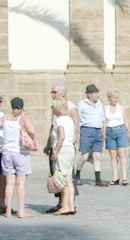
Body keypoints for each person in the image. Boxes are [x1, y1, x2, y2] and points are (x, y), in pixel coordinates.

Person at [0, 97, 35, 218]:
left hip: (7, 152)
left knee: (9, 183)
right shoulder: (22, 118)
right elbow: (32, 130)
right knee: (21, 184)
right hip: (20, 152)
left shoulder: (4, 118)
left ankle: (8, 211)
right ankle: (21, 211)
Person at [44, 83, 79, 213]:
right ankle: (68, 205)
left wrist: (55, 150)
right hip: (67, 148)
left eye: (54, 92)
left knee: (61, 177)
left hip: (62, 148)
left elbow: (63, 135)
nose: (52, 95)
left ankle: (66, 206)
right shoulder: (65, 118)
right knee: (68, 178)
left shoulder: (67, 112)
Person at [75, 84, 109, 187]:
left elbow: (102, 119)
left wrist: (103, 133)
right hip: (86, 130)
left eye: (97, 93)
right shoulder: (81, 104)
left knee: (97, 155)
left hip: (98, 131)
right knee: (84, 156)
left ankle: (98, 179)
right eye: (95, 93)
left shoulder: (100, 104)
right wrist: (76, 133)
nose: (98, 95)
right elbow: (77, 120)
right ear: (89, 95)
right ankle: (77, 175)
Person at [104, 88, 130, 185]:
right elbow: (103, 121)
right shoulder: (106, 108)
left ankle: (124, 177)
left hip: (120, 130)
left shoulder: (121, 108)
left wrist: (129, 132)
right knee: (113, 155)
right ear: (109, 98)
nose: (115, 99)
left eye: (117, 98)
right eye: (114, 97)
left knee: (122, 154)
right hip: (110, 131)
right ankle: (115, 176)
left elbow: (125, 120)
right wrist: (103, 132)